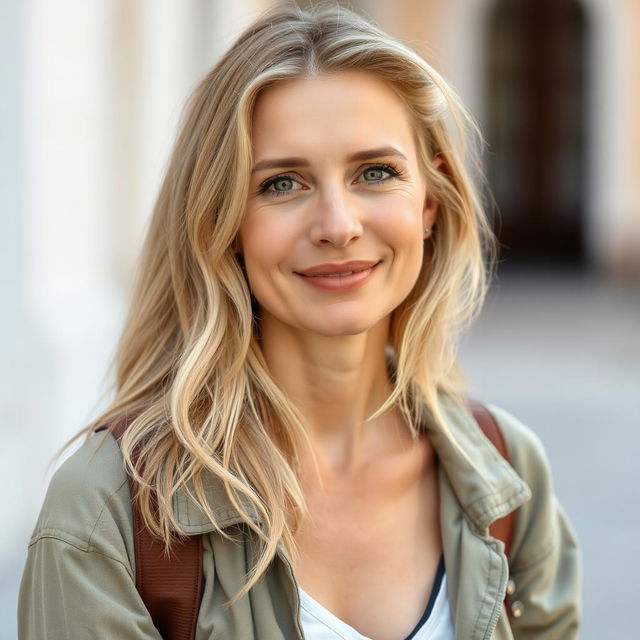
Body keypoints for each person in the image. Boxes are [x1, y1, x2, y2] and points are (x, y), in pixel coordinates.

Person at [18, 3, 581, 639]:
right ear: (223, 220)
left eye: (375, 172)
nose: (338, 225)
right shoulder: (110, 509)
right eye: (282, 183)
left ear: (430, 199)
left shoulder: (505, 477)